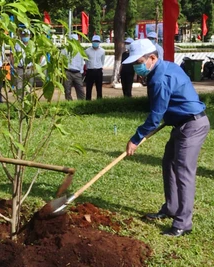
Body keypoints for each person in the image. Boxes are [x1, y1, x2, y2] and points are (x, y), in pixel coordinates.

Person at [123, 39, 210, 237]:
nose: (136, 67)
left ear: (152, 58)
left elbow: (155, 116)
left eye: (138, 62)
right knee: (168, 163)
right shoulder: (165, 67)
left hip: (192, 126)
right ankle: (171, 208)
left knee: (183, 172)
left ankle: (183, 223)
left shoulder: (160, 78)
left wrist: (135, 139)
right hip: (181, 123)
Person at [62, 33, 85, 100]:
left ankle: (81, 104)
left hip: (77, 73)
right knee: (67, 90)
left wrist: (81, 71)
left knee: (80, 90)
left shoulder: (80, 50)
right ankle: (70, 104)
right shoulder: (65, 50)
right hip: (68, 72)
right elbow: (61, 60)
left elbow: (82, 61)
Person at [85, 35, 105, 100]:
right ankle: (88, 101)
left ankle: (99, 101)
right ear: (92, 42)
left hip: (98, 71)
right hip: (90, 71)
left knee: (99, 88)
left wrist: (100, 67)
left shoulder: (102, 51)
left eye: (97, 41)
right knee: (88, 88)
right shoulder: (87, 51)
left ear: (99, 42)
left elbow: (102, 60)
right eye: (94, 41)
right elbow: (86, 60)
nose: (96, 42)